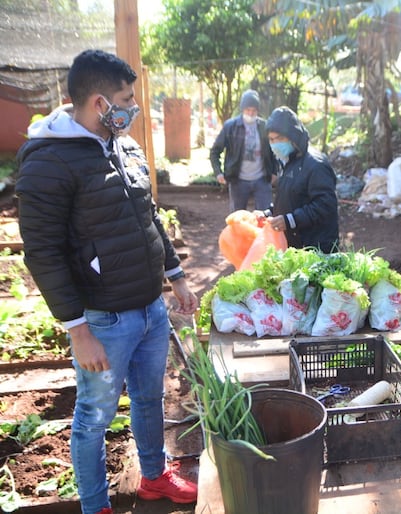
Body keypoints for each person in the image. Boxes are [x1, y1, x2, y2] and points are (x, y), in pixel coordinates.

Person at [15, 49, 199, 514]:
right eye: (126, 99)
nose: (133, 108)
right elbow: (44, 253)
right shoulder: (47, 162)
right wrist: (78, 331)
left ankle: (154, 477)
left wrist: (175, 278)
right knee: (94, 418)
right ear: (99, 103)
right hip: (103, 319)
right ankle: (96, 505)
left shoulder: (124, 145)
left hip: (149, 308)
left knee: (149, 399)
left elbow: (149, 218)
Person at [256, 106, 339, 253]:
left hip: (316, 248)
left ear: (293, 136)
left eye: (280, 138)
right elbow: (289, 199)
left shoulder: (316, 164)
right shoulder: (289, 161)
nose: (275, 144)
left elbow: (325, 205)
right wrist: (268, 213)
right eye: (271, 139)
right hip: (296, 246)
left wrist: (289, 220)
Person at [210, 89, 277, 212]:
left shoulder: (265, 127)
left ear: (258, 111)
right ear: (242, 109)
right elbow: (215, 151)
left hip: (261, 179)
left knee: (266, 217)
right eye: (248, 110)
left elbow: (274, 150)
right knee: (237, 219)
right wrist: (218, 172)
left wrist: (274, 171)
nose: (251, 113)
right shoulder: (230, 127)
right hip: (238, 180)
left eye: (254, 110)